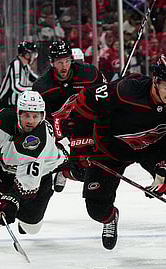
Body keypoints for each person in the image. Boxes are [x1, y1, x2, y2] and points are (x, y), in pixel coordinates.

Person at [58, 54, 166, 258]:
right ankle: (110, 218)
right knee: (96, 208)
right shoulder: (126, 90)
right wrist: (80, 147)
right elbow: (85, 101)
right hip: (111, 148)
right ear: (155, 80)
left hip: (153, 150)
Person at [0, 90, 65, 235]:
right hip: (4, 170)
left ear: (42, 116)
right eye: (26, 115)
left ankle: (23, 217)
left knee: (32, 227)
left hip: (39, 178)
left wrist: (10, 201)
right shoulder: (1, 121)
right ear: (18, 113)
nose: (30, 121)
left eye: (35, 116)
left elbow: (27, 185)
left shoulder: (41, 138)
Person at [32, 40, 106, 192]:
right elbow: (43, 120)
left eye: (67, 61)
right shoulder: (42, 87)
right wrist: (60, 137)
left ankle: (66, 170)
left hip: (85, 123)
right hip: (60, 128)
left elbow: (105, 97)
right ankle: (61, 166)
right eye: (59, 62)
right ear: (51, 62)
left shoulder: (89, 74)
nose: (64, 66)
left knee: (89, 171)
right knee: (76, 166)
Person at [0, 41, 39, 110]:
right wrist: (33, 89)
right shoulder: (16, 63)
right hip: (7, 104)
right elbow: (16, 87)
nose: (34, 57)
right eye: (33, 54)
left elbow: (35, 79)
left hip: (15, 104)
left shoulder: (25, 66)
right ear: (26, 55)